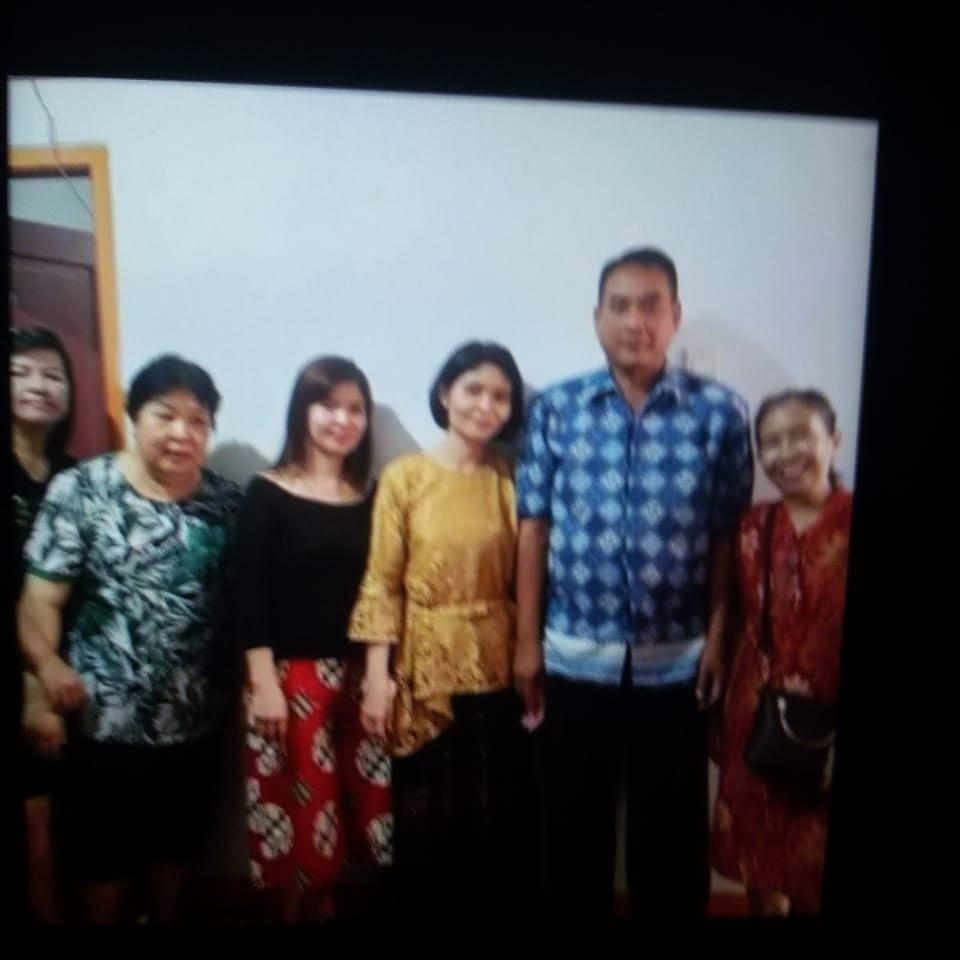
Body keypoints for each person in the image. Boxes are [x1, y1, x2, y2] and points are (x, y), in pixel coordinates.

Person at [514, 247, 754, 920]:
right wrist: (526, 643)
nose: (635, 321)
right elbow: (533, 529)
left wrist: (719, 639)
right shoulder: (556, 408)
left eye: (651, 306)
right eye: (619, 306)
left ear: (675, 316)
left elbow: (726, 538)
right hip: (571, 657)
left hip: (677, 664)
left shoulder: (720, 413)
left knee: (671, 844)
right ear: (597, 317)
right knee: (572, 837)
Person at [18, 354, 242, 924]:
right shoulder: (82, 490)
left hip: (195, 719)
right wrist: (44, 679)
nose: (182, 433)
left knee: (177, 848)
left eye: (198, 421)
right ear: (135, 416)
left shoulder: (227, 503)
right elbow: (41, 598)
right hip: (101, 720)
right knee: (101, 858)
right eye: (166, 415)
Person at [350, 340, 535, 919]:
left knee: (493, 811)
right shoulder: (404, 477)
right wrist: (376, 676)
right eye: (473, 390)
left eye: (500, 396)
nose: (486, 406)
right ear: (445, 394)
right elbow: (382, 580)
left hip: (498, 663)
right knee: (426, 811)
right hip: (424, 664)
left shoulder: (510, 477)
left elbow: (528, 575)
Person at [235, 356, 391, 923]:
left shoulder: (370, 495)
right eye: (328, 405)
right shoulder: (267, 493)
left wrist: (378, 676)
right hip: (288, 679)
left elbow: (383, 589)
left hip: (358, 678)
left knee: (352, 808)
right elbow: (247, 593)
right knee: (297, 807)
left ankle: (324, 904)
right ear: (302, 411)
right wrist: (262, 684)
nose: (342, 420)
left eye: (355, 409)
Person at [711, 389, 851, 915]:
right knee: (758, 856)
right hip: (757, 717)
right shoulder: (751, 526)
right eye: (770, 442)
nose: (785, 453)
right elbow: (734, 619)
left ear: (834, 441)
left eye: (799, 436)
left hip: (828, 719)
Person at [11, 327, 76, 924]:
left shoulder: (71, 475)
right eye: (21, 373)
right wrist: (35, 681)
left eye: (53, 375)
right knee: (35, 821)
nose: (39, 386)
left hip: (64, 669)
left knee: (58, 814)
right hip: (32, 672)